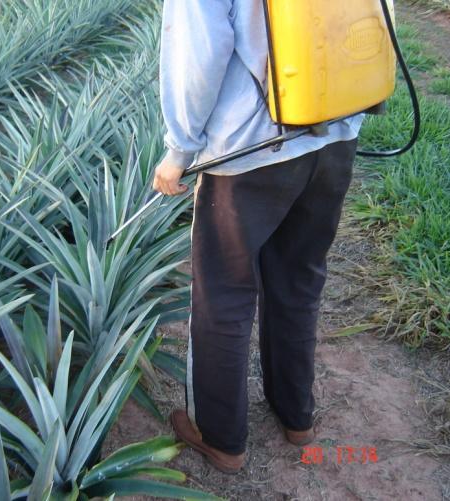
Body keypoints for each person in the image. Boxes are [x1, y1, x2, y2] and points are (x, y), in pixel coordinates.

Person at [153, 0, 364, 474]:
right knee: (299, 280)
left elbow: (199, 51)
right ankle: (297, 417)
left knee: (223, 295)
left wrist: (179, 149)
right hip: (336, 131)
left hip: (251, 147)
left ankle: (222, 438)